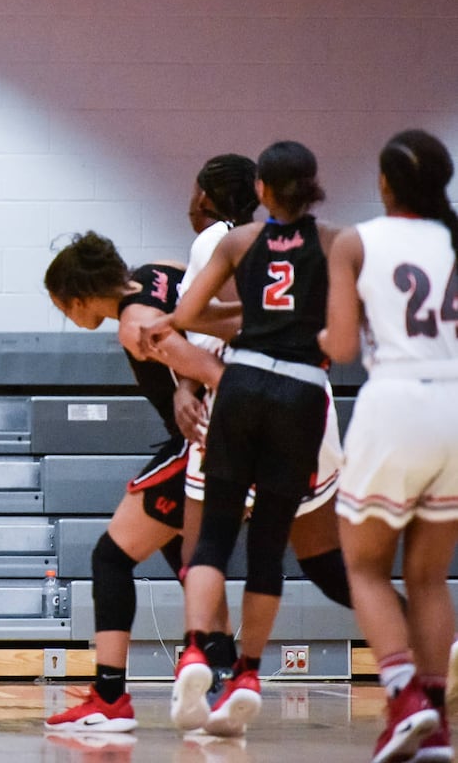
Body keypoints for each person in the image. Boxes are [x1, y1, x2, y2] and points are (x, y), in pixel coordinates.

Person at [142, 140, 339, 742]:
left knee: (208, 544)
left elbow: (187, 318)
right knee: (270, 546)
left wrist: (240, 323)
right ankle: (249, 673)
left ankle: (200, 652)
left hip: (242, 386)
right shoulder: (338, 243)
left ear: (263, 191)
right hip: (304, 393)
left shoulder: (235, 242)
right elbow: (346, 336)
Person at [41, 231, 229, 734]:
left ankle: (109, 697)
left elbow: (212, 369)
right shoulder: (162, 271)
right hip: (214, 441)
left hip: (203, 443)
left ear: (80, 297)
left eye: (64, 306)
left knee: (111, 555)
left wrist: (190, 394)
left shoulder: (134, 324)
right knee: (188, 558)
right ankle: (222, 665)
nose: (68, 317)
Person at [321, 129, 458, 763]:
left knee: (367, 566)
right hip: (455, 405)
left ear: (384, 183)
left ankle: (403, 696)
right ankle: (438, 719)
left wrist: (315, 332)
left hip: (396, 402)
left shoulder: (357, 241)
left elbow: (344, 348)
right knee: (429, 574)